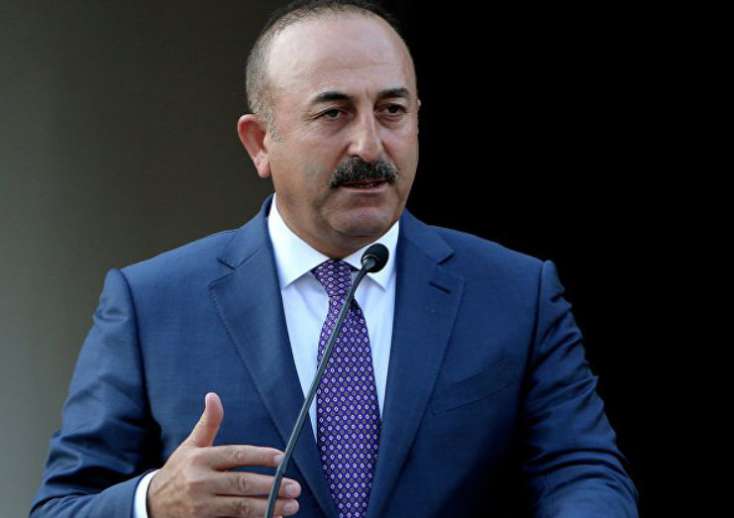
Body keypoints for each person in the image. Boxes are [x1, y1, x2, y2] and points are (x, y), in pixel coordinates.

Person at [31, 1, 639, 517]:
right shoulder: (151, 305)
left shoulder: (516, 294)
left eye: (392, 111)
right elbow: (62, 505)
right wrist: (152, 503)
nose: (370, 145)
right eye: (333, 113)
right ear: (259, 142)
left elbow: (583, 474)